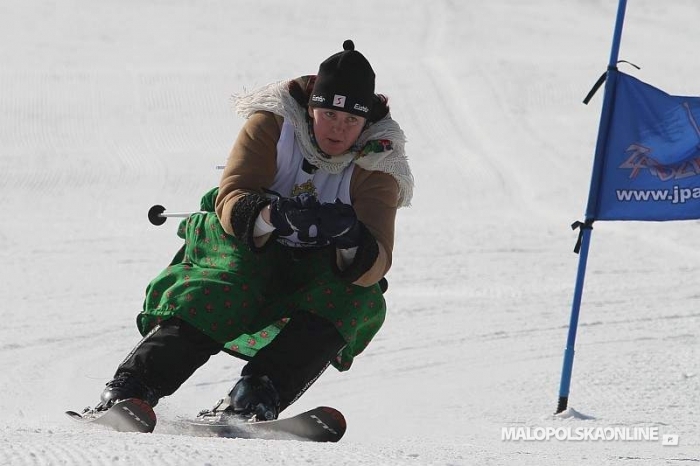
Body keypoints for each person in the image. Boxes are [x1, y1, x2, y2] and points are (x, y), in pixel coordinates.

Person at [95, 39, 414, 422]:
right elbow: (233, 195)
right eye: (329, 114)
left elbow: (379, 255)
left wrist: (350, 238)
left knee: (356, 299)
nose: (338, 129)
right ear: (312, 107)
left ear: (366, 123)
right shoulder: (274, 123)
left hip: (314, 263)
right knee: (227, 288)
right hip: (244, 244)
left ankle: (255, 395)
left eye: (351, 121)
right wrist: (271, 215)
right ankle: (132, 388)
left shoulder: (381, 161)